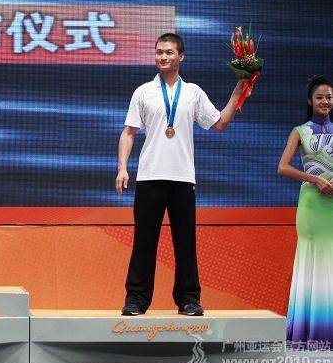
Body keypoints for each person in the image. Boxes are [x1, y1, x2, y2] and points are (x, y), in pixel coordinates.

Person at [115, 32, 246, 316]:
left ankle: (188, 299)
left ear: (181, 57)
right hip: (149, 176)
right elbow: (129, 132)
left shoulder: (193, 92)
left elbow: (219, 124)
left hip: (183, 178)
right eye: (159, 52)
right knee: (144, 240)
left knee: (185, 242)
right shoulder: (143, 92)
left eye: (169, 52)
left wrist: (238, 92)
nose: (163, 57)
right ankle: (136, 299)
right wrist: (122, 168)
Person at [277, 76, 333, 346]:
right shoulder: (300, 131)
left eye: (329, 97)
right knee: (312, 261)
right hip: (311, 204)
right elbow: (283, 167)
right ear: (310, 100)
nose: (325, 102)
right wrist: (315, 179)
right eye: (320, 97)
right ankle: (308, 331)